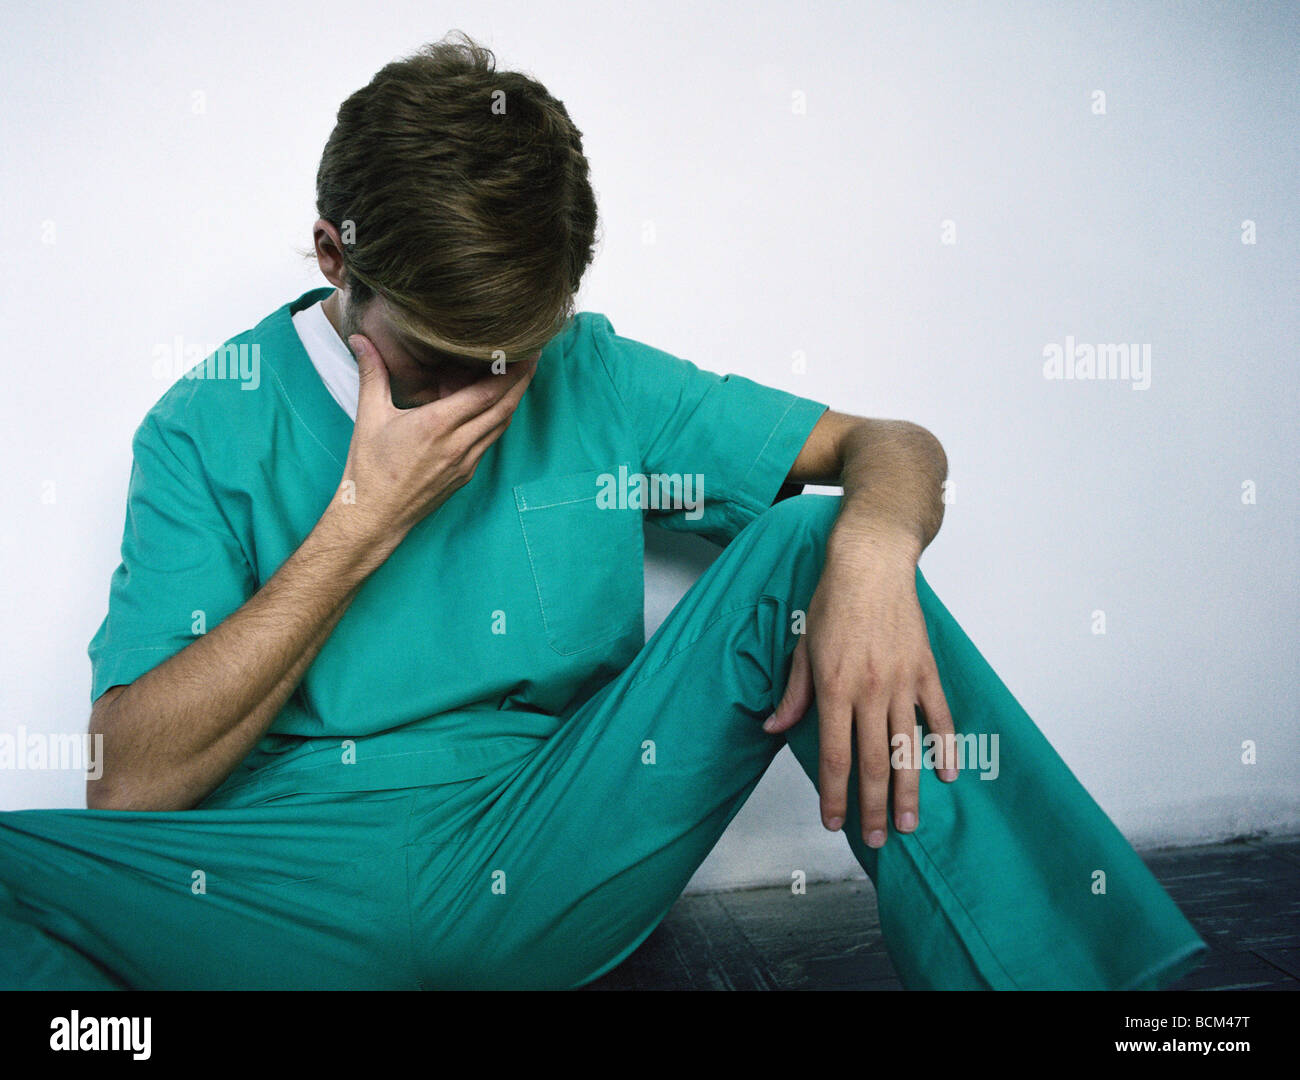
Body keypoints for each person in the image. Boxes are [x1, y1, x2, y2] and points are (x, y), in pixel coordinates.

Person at [0, 32, 1206, 991]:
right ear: (332, 253)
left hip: (545, 848)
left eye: (509, 357)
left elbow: (884, 445)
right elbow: (128, 785)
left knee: (809, 541)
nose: (486, 390)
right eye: (439, 359)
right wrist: (361, 520)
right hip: (290, 885)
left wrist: (877, 552)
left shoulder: (588, 372)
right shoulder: (209, 420)